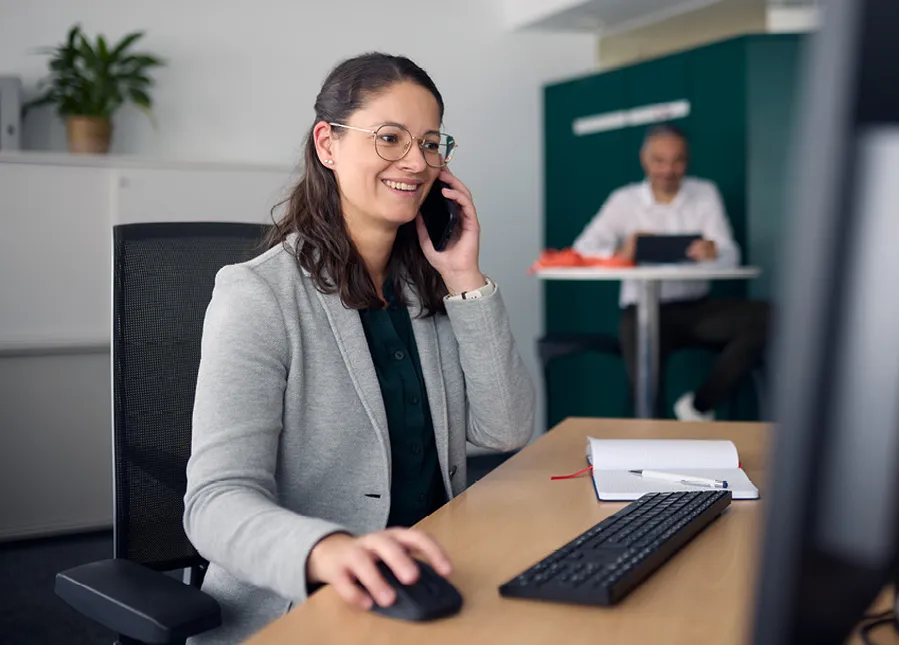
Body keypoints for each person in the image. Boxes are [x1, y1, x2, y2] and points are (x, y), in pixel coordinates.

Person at [182, 52, 536, 644]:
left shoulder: (425, 285)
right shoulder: (258, 295)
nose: (416, 162)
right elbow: (214, 503)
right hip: (307, 610)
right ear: (328, 144)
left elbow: (505, 431)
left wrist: (466, 277)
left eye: (430, 143)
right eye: (390, 138)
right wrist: (329, 550)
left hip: (435, 583)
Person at [572, 123, 769, 421]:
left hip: (696, 310)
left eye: (677, 160)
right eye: (659, 160)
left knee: (769, 317)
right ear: (644, 159)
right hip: (641, 311)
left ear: (687, 161)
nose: (668, 169)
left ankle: (698, 407)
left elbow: (732, 254)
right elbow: (582, 250)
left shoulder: (705, 194)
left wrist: (713, 252)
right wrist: (620, 254)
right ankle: (646, 452)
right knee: (645, 391)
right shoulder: (623, 201)